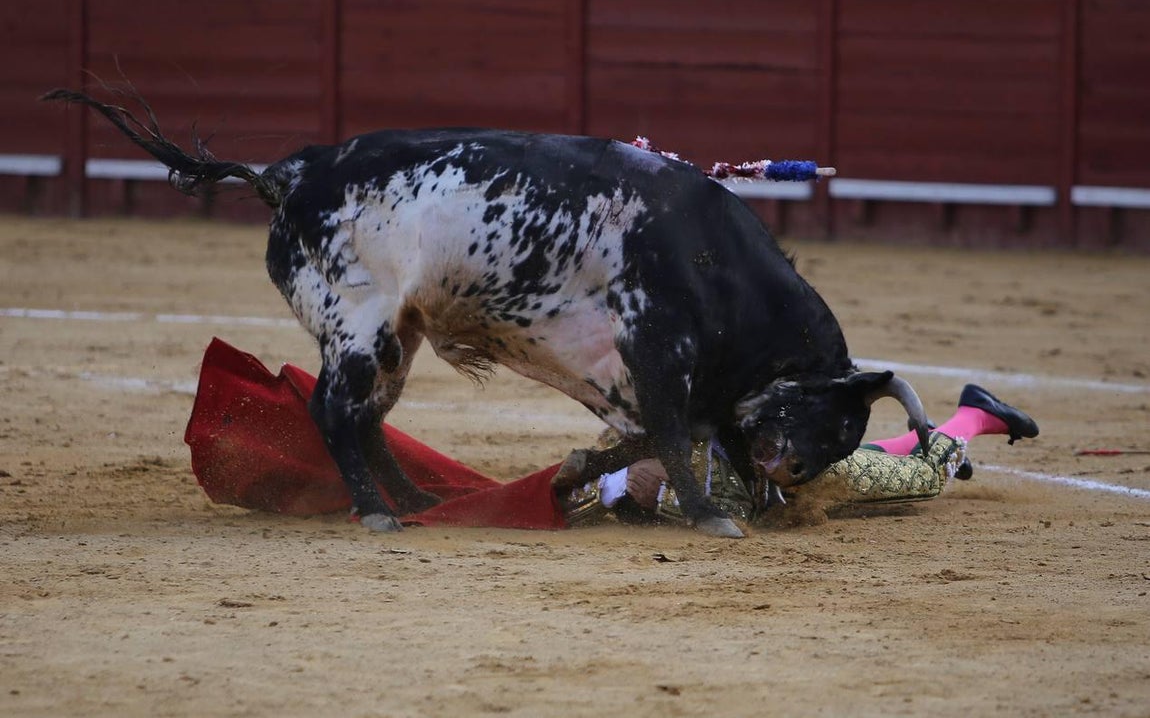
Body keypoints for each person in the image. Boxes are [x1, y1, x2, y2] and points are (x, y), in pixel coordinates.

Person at [185, 338, 1039, 532]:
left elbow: (871, 383)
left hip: (813, 477)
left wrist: (624, 492)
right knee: (870, 469)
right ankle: (976, 413)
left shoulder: (780, 409)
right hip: (788, 477)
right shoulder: (702, 416)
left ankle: (974, 416)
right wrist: (614, 490)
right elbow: (613, 469)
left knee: (913, 475)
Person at [562, 383, 1038, 527]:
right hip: (782, 455)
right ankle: (924, 436)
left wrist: (661, 496)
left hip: (805, 467)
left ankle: (975, 415)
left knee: (925, 479)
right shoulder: (631, 444)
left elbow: (740, 515)